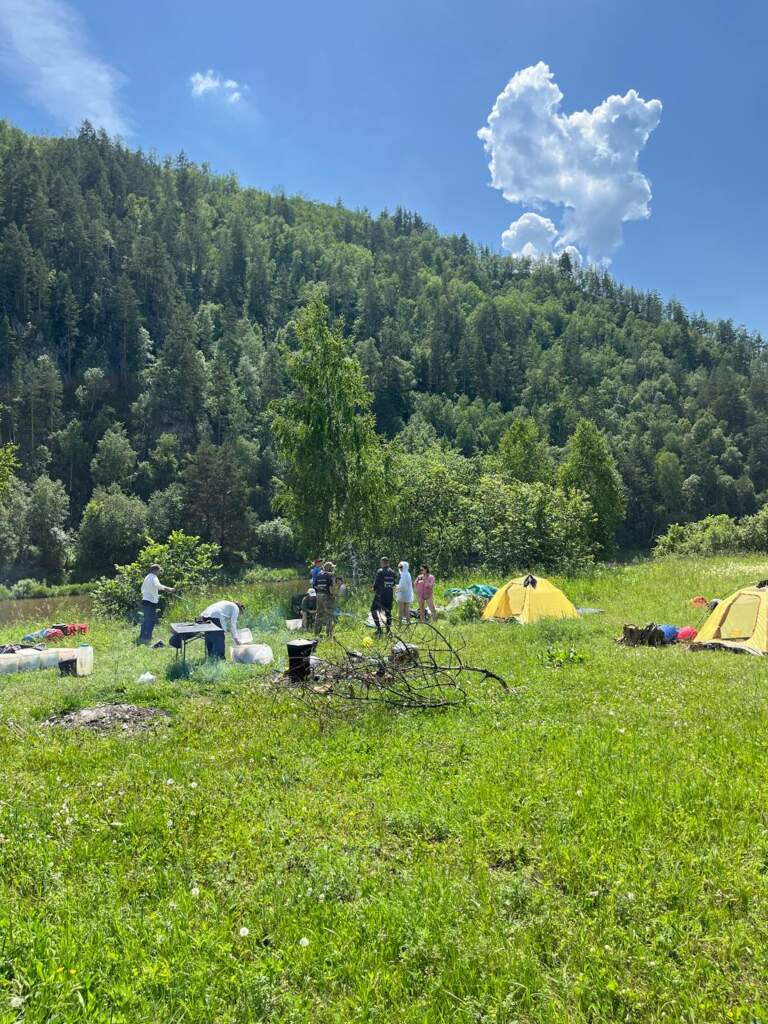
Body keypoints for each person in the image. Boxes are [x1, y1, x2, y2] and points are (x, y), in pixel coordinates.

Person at [138, 563, 175, 644]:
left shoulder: (147, 577)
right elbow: (157, 585)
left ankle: (142, 636)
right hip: (150, 602)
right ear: (155, 570)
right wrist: (169, 589)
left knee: (146, 620)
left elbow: (142, 588)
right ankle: (147, 637)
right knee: (151, 620)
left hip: (145, 600)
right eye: (159, 571)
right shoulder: (154, 577)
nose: (159, 572)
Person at [371, 557, 396, 635]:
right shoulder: (392, 572)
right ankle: (388, 630)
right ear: (388, 563)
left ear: (382, 562)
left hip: (380, 596)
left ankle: (379, 629)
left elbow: (376, 583)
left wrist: (373, 589)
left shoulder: (380, 571)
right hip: (389, 595)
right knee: (388, 613)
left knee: (373, 610)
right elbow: (394, 583)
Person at [314, 562, 335, 637]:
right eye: (332, 567)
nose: (333, 569)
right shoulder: (330, 575)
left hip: (319, 595)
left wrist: (320, 588)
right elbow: (331, 587)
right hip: (326, 596)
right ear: (329, 568)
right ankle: (329, 634)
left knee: (319, 614)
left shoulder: (318, 574)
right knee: (329, 615)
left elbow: (315, 586)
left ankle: (316, 633)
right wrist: (333, 595)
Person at [396, 560, 414, 625]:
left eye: (401, 567)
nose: (400, 568)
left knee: (400, 611)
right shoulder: (408, 574)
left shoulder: (404, 575)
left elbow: (402, 586)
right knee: (407, 611)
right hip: (408, 595)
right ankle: (408, 625)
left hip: (402, 595)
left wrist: (397, 589)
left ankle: (399, 625)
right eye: (399, 567)